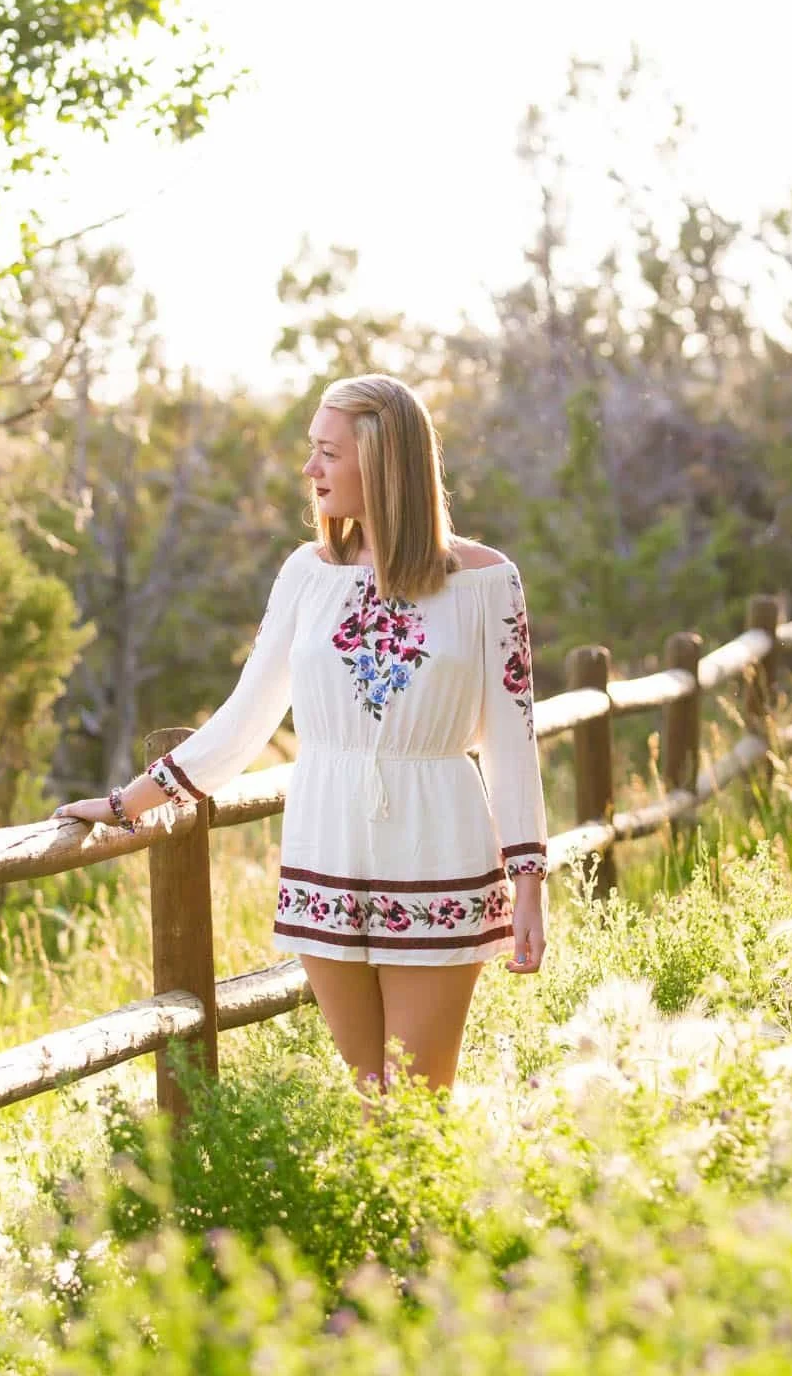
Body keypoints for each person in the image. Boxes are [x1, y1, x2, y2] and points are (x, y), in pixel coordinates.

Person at [53, 374, 547, 1091]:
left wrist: (528, 883)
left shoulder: (487, 583)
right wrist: (131, 801)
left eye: (327, 453)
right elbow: (246, 714)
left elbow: (512, 740)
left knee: (417, 1099)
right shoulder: (305, 575)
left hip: (438, 847)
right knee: (369, 1091)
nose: (310, 469)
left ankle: (430, 1207)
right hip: (326, 847)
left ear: (380, 463)